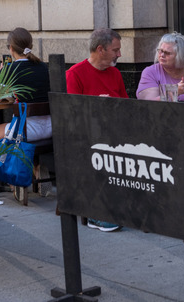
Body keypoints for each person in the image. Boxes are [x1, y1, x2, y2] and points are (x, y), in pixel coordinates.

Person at [66, 28, 127, 232]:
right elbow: (71, 114)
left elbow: (127, 106)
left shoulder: (115, 73)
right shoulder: (74, 74)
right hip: (86, 135)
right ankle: (96, 213)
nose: (119, 54)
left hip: (116, 131)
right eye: (115, 50)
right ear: (100, 49)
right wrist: (95, 107)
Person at [0, 28, 52, 198]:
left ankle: (10, 177)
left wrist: (0, 73)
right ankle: (36, 168)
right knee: (17, 137)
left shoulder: (10, 69)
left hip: (26, 130)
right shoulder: (43, 67)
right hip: (49, 128)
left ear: (11, 48)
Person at [136, 32, 184, 101]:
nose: (162, 55)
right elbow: (150, 103)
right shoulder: (150, 72)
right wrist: (174, 92)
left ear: (180, 56)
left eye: (167, 53)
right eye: (160, 51)